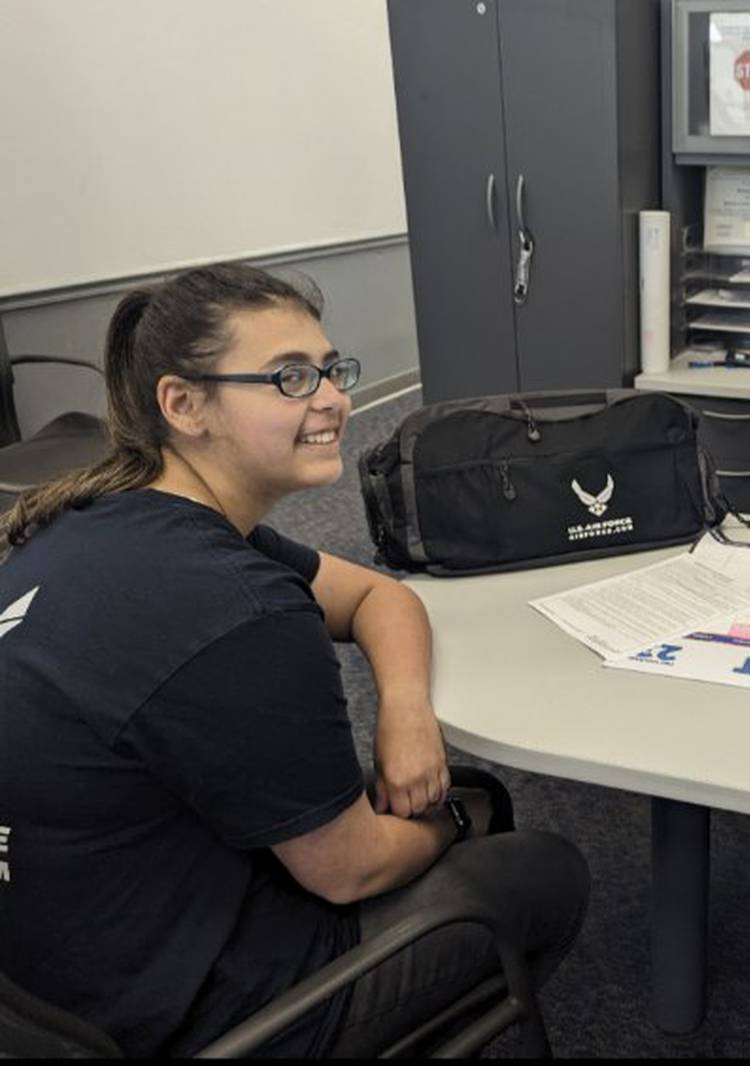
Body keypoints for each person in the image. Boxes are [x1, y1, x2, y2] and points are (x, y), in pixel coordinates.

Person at [0, 264, 589, 1056]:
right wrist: (456, 816)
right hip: (183, 1020)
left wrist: (406, 711)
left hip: (48, 979)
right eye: (289, 377)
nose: (333, 399)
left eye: (330, 369)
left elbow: (380, 598)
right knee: (538, 867)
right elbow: (347, 872)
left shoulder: (107, 517)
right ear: (183, 404)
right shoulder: (238, 607)